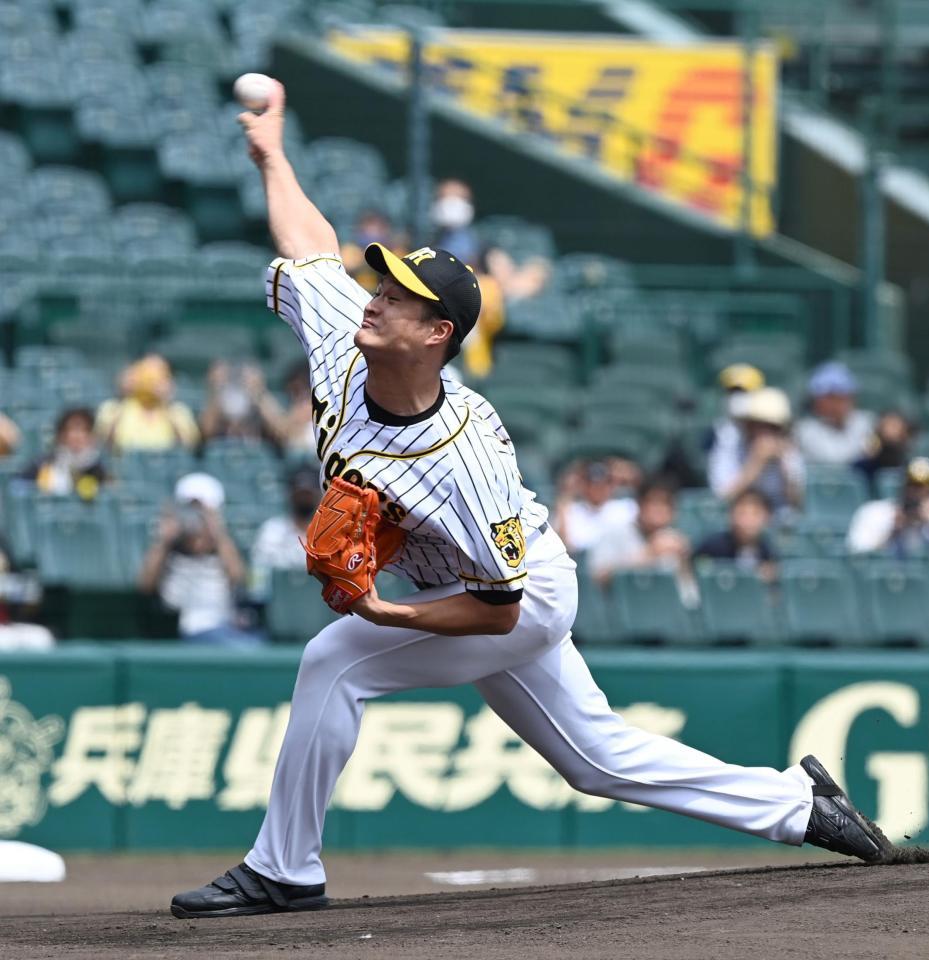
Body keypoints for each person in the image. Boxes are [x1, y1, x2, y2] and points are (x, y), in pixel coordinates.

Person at [170, 78, 891, 920]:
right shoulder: (346, 329)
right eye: (382, 285)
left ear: (437, 333)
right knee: (594, 760)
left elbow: (500, 616)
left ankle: (283, 868)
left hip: (517, 595)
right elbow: (311, 245)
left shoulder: (461, 458)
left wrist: (393, 619)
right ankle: (802, 809)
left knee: (333, 660)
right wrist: (273, 156)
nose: (376, 297)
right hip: (465, 584)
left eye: (399, 297)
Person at [137, 473, 264, 647]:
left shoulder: (222, 545)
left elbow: (238, 578)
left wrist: (217, 533)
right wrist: (164, 540)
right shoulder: (168, 549)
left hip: (223, 626)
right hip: (187, 628)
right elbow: (145, 585)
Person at [708, 386, 804, 518]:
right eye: (757, 424)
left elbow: (797, 502)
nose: (763, 432)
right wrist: (756, 462)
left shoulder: (788, 450)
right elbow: (722, 498)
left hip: (778, 519)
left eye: (772, 427)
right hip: (735, 518)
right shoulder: (730, 444)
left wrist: (784, 467)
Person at [587, 477, 691, 589]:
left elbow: (689, 593)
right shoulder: (614, 532)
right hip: (622, 604)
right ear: (639, 504)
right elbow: (597, 577)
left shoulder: (674, 539)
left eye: (666, 504)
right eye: (654, 502)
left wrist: (684, 561)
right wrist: (649, 553)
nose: (659, 510)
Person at [95, 354, 200, 453]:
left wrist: (167, 403)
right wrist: (123, 396)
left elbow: (188, 448)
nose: (152, 379)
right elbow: (104, 446)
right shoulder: (111, 408)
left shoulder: (178, 411)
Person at [250, 464, 322, 599]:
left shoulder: (332, 534)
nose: (304, 498)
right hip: (279, 609)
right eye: (300, 493)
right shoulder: (271, 531)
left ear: (319, 495)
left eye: (308, 494)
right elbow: (257, 585)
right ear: (290, 493)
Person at [846, 457, 929, 557]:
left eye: (922, 487)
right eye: (911, 484)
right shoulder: (873, 513)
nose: (915, 492)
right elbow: (857, 556)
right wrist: (892, 531)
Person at [795, 362, 876, 466]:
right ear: (816, 401)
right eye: (830, 397)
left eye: (841, 397)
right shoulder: (803, 431)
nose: (836, 405)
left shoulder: (868, 424)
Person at [551, 459, 638, 555]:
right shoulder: (571, 511)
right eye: (592, 484)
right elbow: (565, 546)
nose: (597, 489)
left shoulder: (626, 508)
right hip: (581, 564)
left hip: (619, 563)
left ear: (611, 485)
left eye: (604, 483)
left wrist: (625, 472)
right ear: (583, 485)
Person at [694, 488, 778, 583]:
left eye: (755, 514)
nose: (748, 520)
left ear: (767, 517)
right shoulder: (712, 547)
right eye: (743, 513)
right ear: (731, 515)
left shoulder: (769, 552)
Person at [200, 360, 287, 449]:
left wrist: (258, 391)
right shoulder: (218, 406)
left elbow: (282, 432)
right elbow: (205, 430)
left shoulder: (258, 407)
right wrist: (218, 387)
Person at [26, 407, 108, 499]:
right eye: (72, 430)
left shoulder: (99, 469)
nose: (77, 436)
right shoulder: (44, 463)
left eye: (83, 430)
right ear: (61, 435)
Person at [853, 409, 916, 498]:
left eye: (895, 426)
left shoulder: (912, 469)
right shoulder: (861, 467)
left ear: (905, 433)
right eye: (886, 426)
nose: (890, 431)